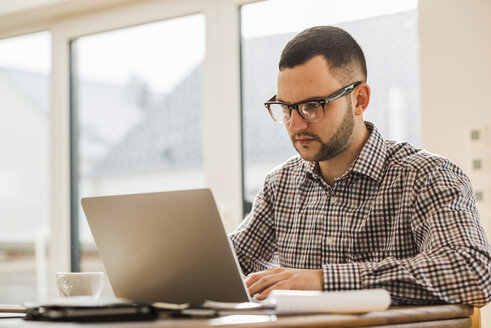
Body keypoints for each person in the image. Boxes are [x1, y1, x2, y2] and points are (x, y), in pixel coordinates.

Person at [229, 26, 491, 307]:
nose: (296, 124)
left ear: (359, 100)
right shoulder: (280, 185)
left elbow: (472, 270)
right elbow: (228, 265)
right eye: (285, 107)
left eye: (313, 106)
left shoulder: (427, 177)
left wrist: (323, 281)